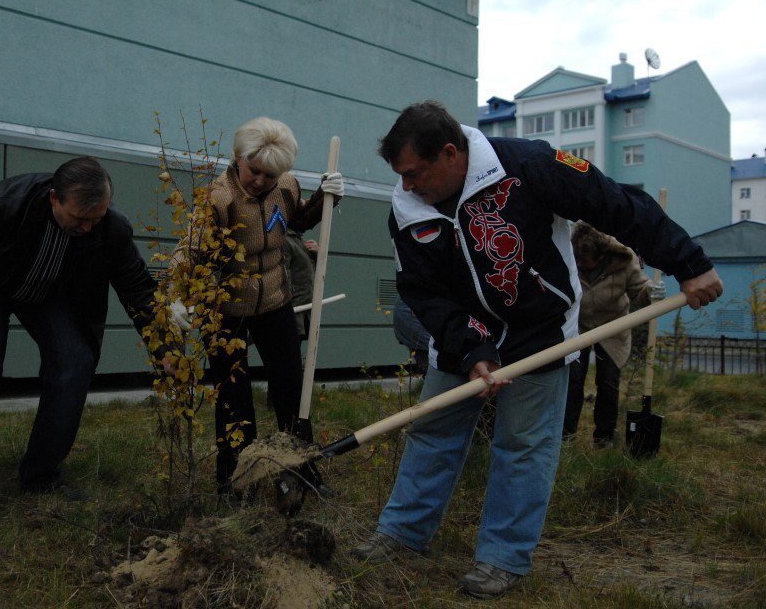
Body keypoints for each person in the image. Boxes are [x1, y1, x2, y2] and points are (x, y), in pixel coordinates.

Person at [351, 101, 723, 599]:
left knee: (523, 445)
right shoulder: (408, 209)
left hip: (539, 330)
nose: (408, 184)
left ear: (449, 154)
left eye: (415, 173)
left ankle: (502, 558)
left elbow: (617, 204)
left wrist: (689, 262)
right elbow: (422, 291)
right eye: (401, 175)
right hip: (465, 335)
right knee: (433, 431)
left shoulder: (529, 166)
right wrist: (470, 349)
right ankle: (402, 532)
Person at [0, 157, 161, 521]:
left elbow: (136, 286)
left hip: (48, 290)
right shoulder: (1, 205)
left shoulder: (109, 228)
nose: (88, 227)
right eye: (79, 218)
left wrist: (164, 348)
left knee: (75, 361)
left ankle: (41, 475)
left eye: (95, 218)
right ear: (54, 198)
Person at [169, 117, 343, 492]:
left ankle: (302, 472)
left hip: (276, 300)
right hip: (226, 310)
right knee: (234, 397)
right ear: (238, 158)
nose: (262, 181)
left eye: (271, 174)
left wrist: (326, 197)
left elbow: (299, 219)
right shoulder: (219, 198)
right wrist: (178, 296)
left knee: (291, 389)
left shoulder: (286, 185)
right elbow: (191, 249)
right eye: (255, 171)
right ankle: (235, 481)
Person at [562, 222, 654, 446]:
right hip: (579, 326)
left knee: (608, 382)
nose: (581, 265)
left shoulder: (623, 260)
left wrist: (652, 292)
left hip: (612, 327)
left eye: (586, 261)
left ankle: (604, 437)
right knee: (572, 380)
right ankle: (565, 435)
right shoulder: (569, 256)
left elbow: (639, 293)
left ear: (601, 255)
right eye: (578, 260)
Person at [282, 231, 318, 339]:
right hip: (293, 307)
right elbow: (284, 275)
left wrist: (318, 253)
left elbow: (309, 271)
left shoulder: (300, 241)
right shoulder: (285, 240)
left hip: (305, 306)